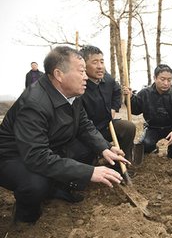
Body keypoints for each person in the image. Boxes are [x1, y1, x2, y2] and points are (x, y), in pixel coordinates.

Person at [0, 46, 130, 224]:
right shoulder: (34, 104)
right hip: (14, 156)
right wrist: (89, 172)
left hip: (49, 146)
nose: (86, 77)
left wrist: (105, 148)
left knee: (86, 148)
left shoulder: (73, 95)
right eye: (81, 71)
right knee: (36, 183)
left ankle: (57, 188)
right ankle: (25, 218)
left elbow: (84, 125)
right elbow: (36, 156)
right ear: (59, 75)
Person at [79, 45, 136, 168]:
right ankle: (96, 159)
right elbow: (82, 126)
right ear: (84, 65)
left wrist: (114, 108)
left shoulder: (108, 79)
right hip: (85, 133)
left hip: (106, 126)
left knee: (128, 127)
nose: (100, 66)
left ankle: (121, 165)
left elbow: (116, 91)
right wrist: (104, 146)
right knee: (84, 158)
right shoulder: (79, 86)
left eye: (102, 61)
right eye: (95, 62)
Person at [123, 64, 172, 158]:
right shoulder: (145, 93)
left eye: (169, 80)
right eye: (162, 79)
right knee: (146, 144)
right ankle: (153, 148)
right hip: (152, 127)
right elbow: (135, 110)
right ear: (155, 78)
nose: (166, 83)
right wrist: (129, 98)